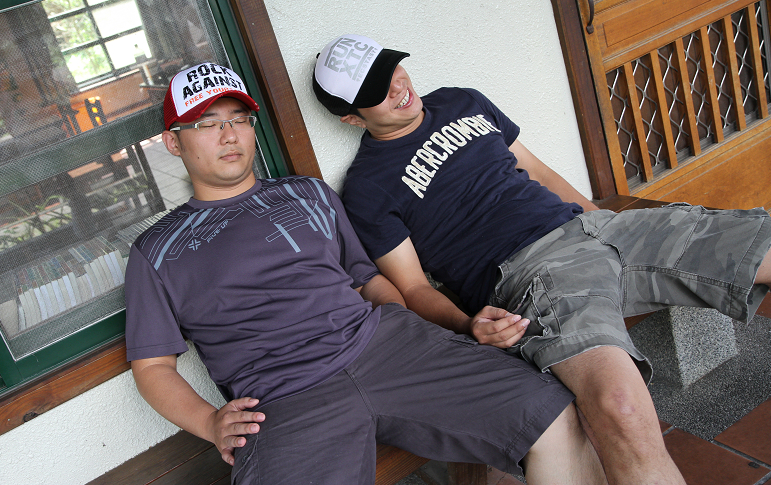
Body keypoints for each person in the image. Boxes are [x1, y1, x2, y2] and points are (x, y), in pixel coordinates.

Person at [313, 34, 771, 485]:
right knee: (622, 409)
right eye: (377, 91)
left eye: (392, 68)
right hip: (535, 274)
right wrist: (468, 324)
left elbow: (536, 170)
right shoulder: (369, 187)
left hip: (594, 229)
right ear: (352, 118)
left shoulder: (461, 101)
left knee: (759, 244)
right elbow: (413, 287)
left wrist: (603, 219)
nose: (397, 86)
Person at [124, 62, 607, 485]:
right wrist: (210, 423)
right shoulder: (159, 250)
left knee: (552, 417)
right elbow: (152, 367)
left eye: (238, 119)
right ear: (173, 142)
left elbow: (367, 280)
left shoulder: (307, 194)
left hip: (389, 346)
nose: (229, 135)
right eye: (207, 124)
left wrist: (407, 325)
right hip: (282, 398)